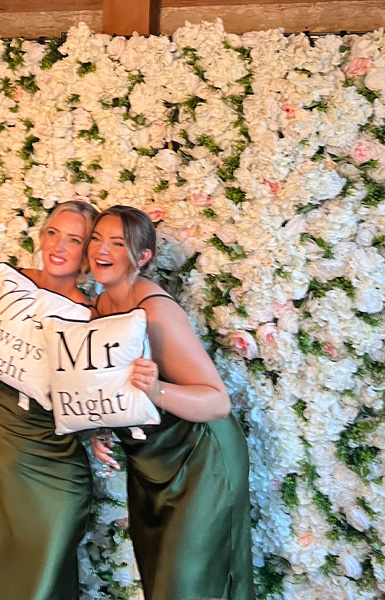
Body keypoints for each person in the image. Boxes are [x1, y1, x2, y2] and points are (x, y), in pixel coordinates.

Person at [88, 205, 255, 600]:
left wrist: (158, 390)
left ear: (142, 258)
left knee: (189, 589)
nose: (102, 249)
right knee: (161, 586)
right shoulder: (97, 310)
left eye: (117, 242)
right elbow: (115, 389)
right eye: (97, 238)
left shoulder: (156, 311)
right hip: (150, 464)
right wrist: (102, 426)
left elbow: (217, 402)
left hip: (200, 459)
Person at [0, 201, 98, 600]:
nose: (59, 246)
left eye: (74, 239)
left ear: (87, 252)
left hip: (57, 469)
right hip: (3, 458)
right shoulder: (9, 282)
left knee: (44, 584)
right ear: (41, 236)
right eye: (53, 233)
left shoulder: (90, 315)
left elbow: (86, 400)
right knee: (1, 576)